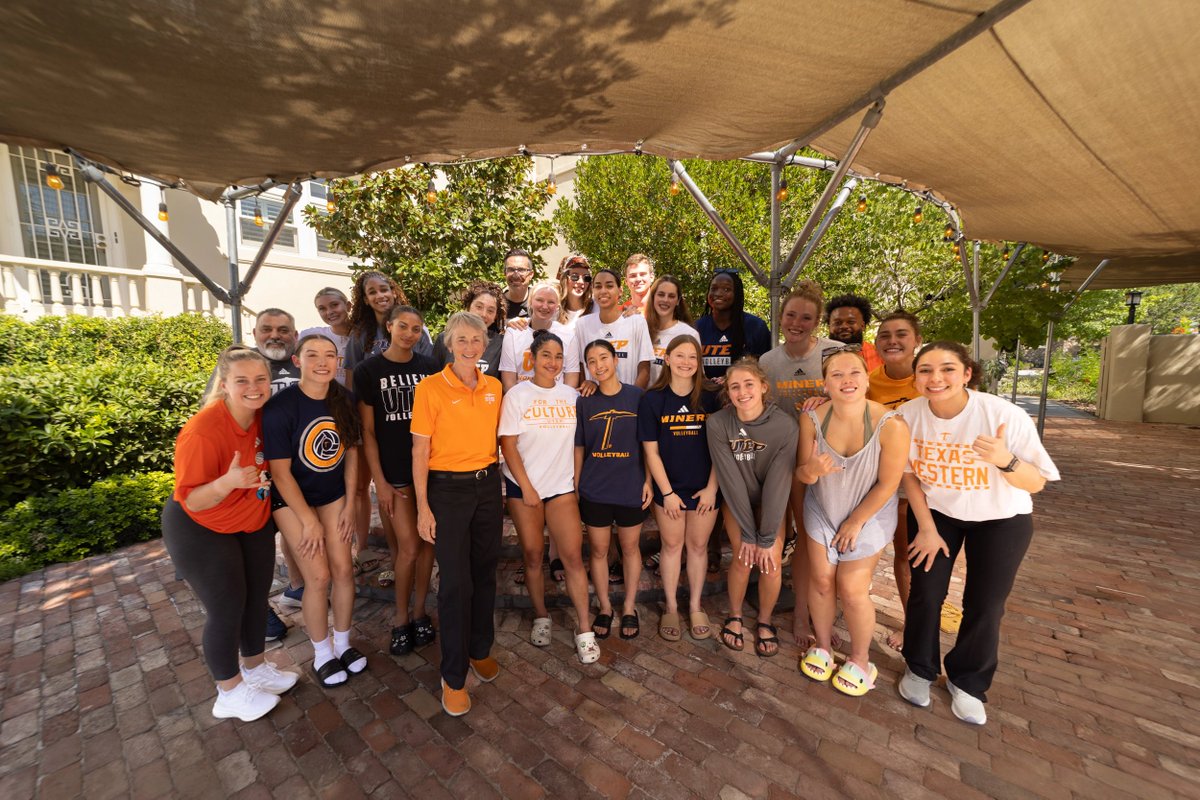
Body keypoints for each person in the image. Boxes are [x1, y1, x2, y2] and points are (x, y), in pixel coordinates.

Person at [897, 341, 1059, 725]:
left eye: (948, 369)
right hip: (938, 513)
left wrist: (1005, 460)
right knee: (926, 592)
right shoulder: (907, 415)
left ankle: (968, 681)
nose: (936, 378)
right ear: (915, 376)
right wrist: (926, 527)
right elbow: (907, 474)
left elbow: (1036, 482)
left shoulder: (1002, 414)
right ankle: (919, 668)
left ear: (967, 373)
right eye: (926, 370)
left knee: (986, 604)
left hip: (1002, 518)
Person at [162, 346, 298, 722]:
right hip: (202, 527)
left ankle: (255, 667)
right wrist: (228, 482)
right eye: (242, 381)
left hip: (250, 523)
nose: (253, 388)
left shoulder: (263, 417)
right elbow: (192, 499)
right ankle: (229, 691)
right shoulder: (203, 430)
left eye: (260, 380)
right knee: (226, 607)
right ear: (225, 385)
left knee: (256, 598)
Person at [796, 350, 909, 696]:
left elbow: (890, 484)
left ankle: (861, 660)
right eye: (837, 374)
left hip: (868, 514)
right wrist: (813, 471)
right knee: (820, 580)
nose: (847, 380)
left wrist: (856, 521)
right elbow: (802, 473)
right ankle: (825, 647)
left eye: (855, 373)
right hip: (823, 508)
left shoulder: (891, 424)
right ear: (825, 382)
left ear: (866, 376)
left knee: (852, 586)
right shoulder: (812, 418)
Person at [412, 312, 504, 717]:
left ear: (485, 344)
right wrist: (422, 506)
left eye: (476, 340)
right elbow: (419, 451)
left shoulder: (494, 387)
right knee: (454, 584)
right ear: (450, 343)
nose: (470, 347)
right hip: (446, 490)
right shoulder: (430, 388)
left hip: (487, 485)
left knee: (485, 573)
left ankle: (479, 649)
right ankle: (452, 676)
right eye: (462, 340)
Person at [263, 335, 366, 688]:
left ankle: (343, 643)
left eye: (329, 356)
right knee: (318, 576)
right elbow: (279, 472)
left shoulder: (344, 401)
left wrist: (351, 504)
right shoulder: (281, 408)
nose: (322, 362)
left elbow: (351, 454)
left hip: (333, 494)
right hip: (292, 501)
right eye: (312, 355)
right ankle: (322, 652)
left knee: (343, 570)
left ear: (338, 361)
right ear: (297, 361)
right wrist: (309, 520)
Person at [499, 331, 599, 663]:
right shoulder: (517, 394)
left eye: (558, 356)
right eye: (546, 355)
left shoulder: (573, 395)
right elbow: (508, 444)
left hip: (560, 487)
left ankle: (584, 629)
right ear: (533, 357)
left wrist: (593, 386)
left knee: (572, 557)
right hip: (523, 487)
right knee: (531, 554)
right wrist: (526, 487)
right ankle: (542, 615)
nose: (553, 362)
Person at [202, 308, 300, 642]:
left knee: (286, 538)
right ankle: (259, 613)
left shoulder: (302, 364)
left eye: (284, 330)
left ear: (295, 335)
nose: (276, 335)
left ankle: (297, 588)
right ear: (255, 333)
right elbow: (213, 416)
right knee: (251, 551)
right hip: (248, 475)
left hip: (290, 472)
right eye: (267, 329)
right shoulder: (242, 369)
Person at [865, 310, 962, 649]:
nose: (892, 341)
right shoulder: (870, 381)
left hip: (926, 486)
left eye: (901, 334)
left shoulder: (932, 381)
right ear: (876, 343)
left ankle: (914, 627)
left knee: (914, 558)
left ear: (917, 340)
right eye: (885, 335)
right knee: (888, 555)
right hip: (884, 484)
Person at [355, 305, 439, 657]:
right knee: (407, 548)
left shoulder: (429, 368)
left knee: (428, 545)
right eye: (403, 326)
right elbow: (368, 432)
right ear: (389, 327)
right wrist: (380, 482)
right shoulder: (368, 370)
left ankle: (420, 612)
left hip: (432, 471)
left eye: (416, 329)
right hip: (396, 474)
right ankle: (400, 617)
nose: (409, 334)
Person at [758, 282, 839, 649]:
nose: (797, 323)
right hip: (782, 460)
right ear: (780, 317)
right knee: (790, 535)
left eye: (806, 317)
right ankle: (790, 606)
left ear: (817, 322)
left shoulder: (832, 354)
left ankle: (805, 615)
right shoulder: (769, 362)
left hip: (825, 460)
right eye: (791, 315)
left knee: (813, 540)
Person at [706, 358, 797, 658]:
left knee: (770, 559)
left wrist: (768, 537)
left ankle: (765, 620)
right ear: (728, 392)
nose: (742, 392)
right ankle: (734, 615)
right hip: (738, 499)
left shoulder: (785, 425)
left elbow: (779, 482)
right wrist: (749, 534)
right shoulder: (718, 423)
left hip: (773, 500)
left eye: (748, 384)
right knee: (743, 556)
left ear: (763, 387)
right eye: (734, 386)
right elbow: (730, 480)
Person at [343, 271, 428, 579]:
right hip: (384, 438)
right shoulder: (361, 336)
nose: (409, 332)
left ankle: (415, 569)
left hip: (418, 443)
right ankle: (396, 564)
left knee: (417, 516)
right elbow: (354, 382)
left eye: (385, 289)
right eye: (372, 291)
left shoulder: (423, 350)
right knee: (391, 506)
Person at [639, 335, 719, 641]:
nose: (686, 362)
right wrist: (667, 493)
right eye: (680, 356)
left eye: (693, 357)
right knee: (671, 547)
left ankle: (696, 604)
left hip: (704, 489)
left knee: (698, 548)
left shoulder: (712, 396)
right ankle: (671, 606)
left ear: (699, 363)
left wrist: (713, 488)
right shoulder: (652, 399)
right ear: (667, 359)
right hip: (668, 490)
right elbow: (651, 452)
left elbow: (722, 449)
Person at [576, 340, 652, 641]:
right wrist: (578, 483)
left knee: (630, 549)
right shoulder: (585, 401)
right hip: (595, 488)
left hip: (630, 486)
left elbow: (648, 445)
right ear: (587, 367)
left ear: (616, 360)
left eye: (604, 358)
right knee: (598, 550)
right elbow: (579, 446)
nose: (599, 365)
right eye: (592, 361)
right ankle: (605, 606)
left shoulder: (637, 397)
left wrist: (648, 481)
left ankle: (630, 606)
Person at [573, 269, 653, 390]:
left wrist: (631, 399)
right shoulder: (582, 324)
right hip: (597, 404)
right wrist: (587, 386)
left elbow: (645, 370)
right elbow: (580, 366)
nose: (603, 291)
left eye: (609, 286)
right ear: (593, 291)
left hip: (628, 405)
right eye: (598, 287)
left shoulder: (637, 322)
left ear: (620, 291)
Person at [499, 281, 580, 391]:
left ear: (557, 306)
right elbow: (508, 380)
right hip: (521, 400)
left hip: (555, 402)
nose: (545, 306)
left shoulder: (568, 335)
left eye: (551, 302)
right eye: (539, 300)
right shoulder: (514, 331)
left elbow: (571, 378)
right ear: (530, 301)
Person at [696, 270, 771, 382]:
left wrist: (730, 379)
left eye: (726, 289)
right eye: (714, 288)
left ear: (737, 293)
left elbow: (765, 369)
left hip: (743, 396)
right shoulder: (696, 328)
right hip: (705, 396)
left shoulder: (756, 327)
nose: (718, 293)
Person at [432, 280, 507, 376]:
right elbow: (433, 377)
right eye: (479, 307)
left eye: (490, 311)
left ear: (496, 316)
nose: (483, 314)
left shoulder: (501, 344)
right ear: (468, 306)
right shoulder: (445, 338)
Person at [642, 274, 700, 385]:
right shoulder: (642, 329)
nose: (665, 300)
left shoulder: (688, 334)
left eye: (671, 296)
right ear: (653, 297)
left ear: (678, 301)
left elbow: (697, 376)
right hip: (644, 400)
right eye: (661, 294)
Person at [300, 287, 353, 386]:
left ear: (348, 306)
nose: (329, 312)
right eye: (322, 308)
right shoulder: (310, 336)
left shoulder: (365, 336)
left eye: (334, 305)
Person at [826, 294, 883, 371]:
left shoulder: (880, 355)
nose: (844, 326)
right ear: (829, 327)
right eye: (837, 322)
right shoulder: (818, 356)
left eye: (851, 322)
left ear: (863, 325)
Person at [557, 254, 594, 327]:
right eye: (574, 277)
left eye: (586, 278)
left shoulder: (596, 308)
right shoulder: (554, 310)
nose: (581, 282)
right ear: (565, 279)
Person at [502, 248, 536, 321]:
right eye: (511, 269)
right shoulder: (497, 304)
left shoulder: (540, 302)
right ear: (505, 273)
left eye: (521, 270)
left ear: (531, 274)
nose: (516, 274)